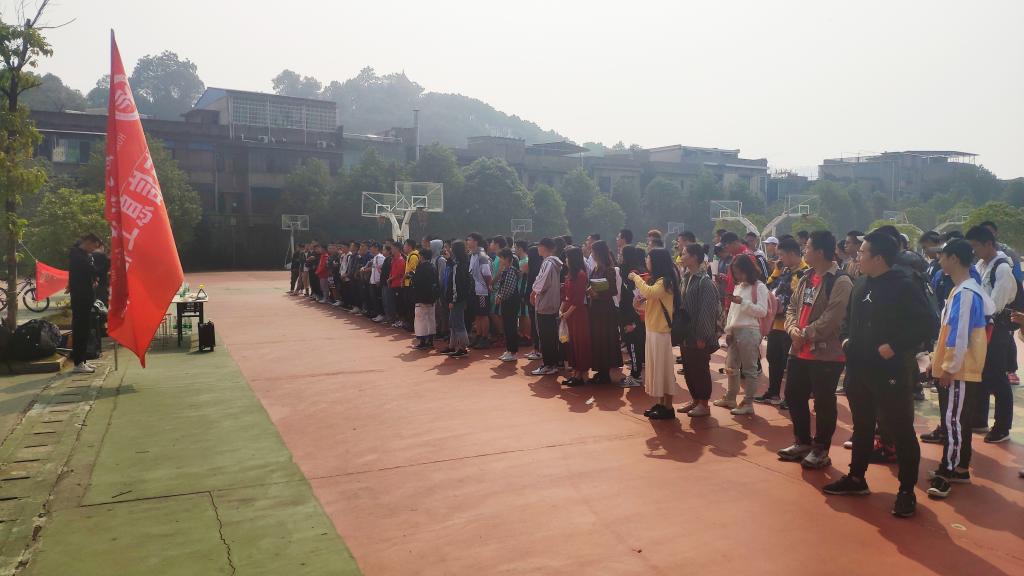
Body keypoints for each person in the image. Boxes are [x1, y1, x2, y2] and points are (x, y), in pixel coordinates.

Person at [824, 232, 934, 519]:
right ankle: (856, 478)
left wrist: (895, 346)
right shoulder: (861, 283)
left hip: (891, 372)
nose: (857, 256)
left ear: (879, 258)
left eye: (862, 252)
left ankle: (906, 490)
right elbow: (848, 318)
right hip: (859, 369)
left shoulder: (904, 285)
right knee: (862, 426)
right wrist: (846, 340)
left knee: (901, 429)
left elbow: (927, 323)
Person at [777, 231, 853, 469]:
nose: (804, 251)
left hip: (826, 353)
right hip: (799, 350)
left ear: (820, 252)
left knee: (823, 402)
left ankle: (821, 449)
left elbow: (833, 317)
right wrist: (792, 330)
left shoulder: (841, 281)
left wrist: (805, 334)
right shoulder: (805, 277)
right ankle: (802, 441)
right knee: (793, 395)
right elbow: (792, 307)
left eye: (807, 247)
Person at [926, 239, 994, 499]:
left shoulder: (965, 293)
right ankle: (961, 466)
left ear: (954, 258)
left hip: (959, 369)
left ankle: (948, 471)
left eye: (942, 256)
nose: (939, 260)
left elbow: (960, 334)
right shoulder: (963, 289)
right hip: (959, 368)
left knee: (953, 421)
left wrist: (948, 367)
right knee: (958, 420)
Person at [965, 225, 1015, 443]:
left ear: (989, 244)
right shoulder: (981, 265)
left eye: (976, 246)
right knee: (981, 373)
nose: (974, 251)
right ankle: (979, 418)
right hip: (982, 325)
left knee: (997, 376)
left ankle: (1002, 426)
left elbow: (996, 304)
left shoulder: (1002, 268)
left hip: (996, 326)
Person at [629, 248, 681, 419]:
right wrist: (638, 305)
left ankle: (668, 406)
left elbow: (649, 292)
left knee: (663, 370)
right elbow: (652, 303)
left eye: (648, 258)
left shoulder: (664, 281)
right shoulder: (659, 281)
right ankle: (661, 403)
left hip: (660, 332)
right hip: (653, 330)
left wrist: (636, 278)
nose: (646, 261)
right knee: (657, 369)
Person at [713, 254, 769, 415]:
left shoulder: (759, 287)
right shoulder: (739, 286)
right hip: (736, 330)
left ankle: (748, 402)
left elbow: (762, 311)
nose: (738, 276)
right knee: (731, 366)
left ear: (748, 270)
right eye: (735, 273)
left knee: (749, 369)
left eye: (740, 272)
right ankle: (731, 397)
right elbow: (732, 311)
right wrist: (729, 330)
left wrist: (742, 302)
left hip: (750, 330)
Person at [755, 237, 806, 406]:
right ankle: (773, 392)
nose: (780, 259)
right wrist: (776, 271)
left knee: (790, 363)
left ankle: (790, 397)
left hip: (792, 325)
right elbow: (769, 287)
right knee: (773, 358)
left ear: (791, 254)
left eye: (781, 255)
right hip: (776, 324)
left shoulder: (804, 273)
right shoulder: (784, 270)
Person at [676, 243, 722, 417]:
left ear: (695, 257)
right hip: (686, 333)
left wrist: (702, 336)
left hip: (698, 334)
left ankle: (704, 403)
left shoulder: (705, 282)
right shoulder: (686, 278)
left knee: (700, 369)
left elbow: (707, 311)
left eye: (684, 253)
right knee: (689, 368)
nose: (681, 256)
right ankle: (695, 399)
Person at [980, 220, 1022, 387]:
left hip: (999, 318)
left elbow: (1017, 281)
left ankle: (1011, 369)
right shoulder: (979, 259)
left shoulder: (1007, 255)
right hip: (985, 323)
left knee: (998, 370)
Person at [586, 240, 622, 385]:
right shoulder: (596, 269)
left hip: (605, 310)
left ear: (598, 253)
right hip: (596, 309)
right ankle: (600, 371)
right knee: (597, 339)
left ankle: (605, 374)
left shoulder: (609, 269)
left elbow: (613, 290)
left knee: (605, 340)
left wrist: (597, 294)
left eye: (593, 251)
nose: (591, 254)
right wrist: (590, 291)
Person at [69, 234, 101, 374]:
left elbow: (91, 272)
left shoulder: (83, 255)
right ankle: (78, 363)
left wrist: (94, 279)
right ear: (88, 242)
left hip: (85, 297)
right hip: (80, 298)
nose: (93, 250)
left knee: (85, 329)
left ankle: (82, 360)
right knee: (80, 330)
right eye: (94, 247)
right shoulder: (77, 256)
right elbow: (92, 269)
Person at [560, 247, 592, 387]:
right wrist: (561, 310)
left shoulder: (580, 275)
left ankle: (580, 373)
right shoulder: (570, 275)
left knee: (579, 343)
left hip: (578, 313)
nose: (566, 260)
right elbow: (565, 295)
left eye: (567, 257)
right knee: (571, 342)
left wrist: (566, 313)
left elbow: (578, 299)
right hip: (569, 312)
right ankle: (576, 373)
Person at [531, 238, 563, 375]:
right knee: (550, 335)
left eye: (539, 246)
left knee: (545, 336)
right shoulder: (554, 262)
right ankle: (552, 363)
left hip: (545, 304)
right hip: (552, 303)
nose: (537, 248)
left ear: (544, 247)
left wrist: (533, 291)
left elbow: (542, 282)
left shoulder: (548, 263)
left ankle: (549, 364)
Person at [618, 245, 647, 388]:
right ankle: (635, 374)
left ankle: (636, 376)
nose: (619, 257)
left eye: (621, 254)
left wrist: (633, 323)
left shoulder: (634, 273)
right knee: (633, 347)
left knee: (634, 346)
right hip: (629, 316)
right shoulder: (630, 271)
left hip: (633, 318)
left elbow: (638, 299)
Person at [442, 241, 472, 358]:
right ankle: (453, 345)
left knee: (458, 323)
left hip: (457, 299)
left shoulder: (458, 266)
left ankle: (463, 347)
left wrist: (453, 300)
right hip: (460, 298)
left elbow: (456, 285)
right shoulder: (462, 263)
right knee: (453, 322)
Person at [494, 248, 522, 362]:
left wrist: (500, 296)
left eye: (501, 258)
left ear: (507, 259)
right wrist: (499, 295)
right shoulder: (505, 270)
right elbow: (501, 285)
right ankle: (509, 349)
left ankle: (513, 351)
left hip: (511, 302)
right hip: (506, 301)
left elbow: (508, 288)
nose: (499, 260)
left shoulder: (510, 271)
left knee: (511, 326)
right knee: (507, 326)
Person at [466, 233, 493, 349]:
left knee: (483, 314)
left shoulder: (482, 256)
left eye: (469, 240)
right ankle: (478, 335)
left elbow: (487, 274)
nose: (467, 242)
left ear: (476, 241)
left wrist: (488, 286)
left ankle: (485, 338)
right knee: (477, 314)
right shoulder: (473, 255)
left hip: (482, 290)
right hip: (475, 290)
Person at [411, 248, 439, 350]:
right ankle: (430, 340)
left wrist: (412, 276)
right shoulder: (433, 267)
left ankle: (423, 341)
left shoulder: (421, 268)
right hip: (431, 297)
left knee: (421, 319)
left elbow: (417, 282)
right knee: (431, 318)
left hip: (421, 297)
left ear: (422, 256)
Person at [430, 239, 448, 339]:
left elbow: (442, 276)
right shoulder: (432, 258)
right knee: (436, 311)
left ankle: (443, 330)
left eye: (431, 246)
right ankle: (438, 329)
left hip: (439, 290)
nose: (430, 248)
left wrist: (439, 289)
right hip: (434, 290)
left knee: (442, 311)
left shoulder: (441, 260)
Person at [387, 243, 406, 327]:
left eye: (392, 248)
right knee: (396, 303)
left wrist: (390, 279)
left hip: (398, 285)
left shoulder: (401, 260)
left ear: (397, 249)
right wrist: (390, 278)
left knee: (400, 303)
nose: (391, 250)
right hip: (393, 284)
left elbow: (399, 273)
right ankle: (399, 320)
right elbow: (392, 271)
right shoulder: (394, 259)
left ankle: (402, 320)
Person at [367, 243, 386, 322]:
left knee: (378, 299)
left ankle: (381, 314)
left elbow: (381, 270)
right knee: (374, 299)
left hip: (377, 282)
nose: (370, 249)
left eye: (371, 248)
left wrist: (378, 280)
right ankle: (378, 314)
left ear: (376, 248)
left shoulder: (380, 257)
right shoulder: (375, 257)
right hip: (373, 282)